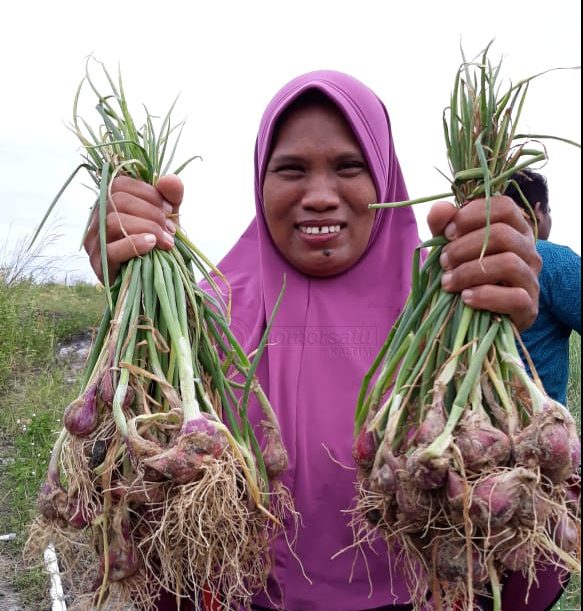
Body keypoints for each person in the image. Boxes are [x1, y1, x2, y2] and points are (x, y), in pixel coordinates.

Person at [84, 71, 565, 611]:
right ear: (260, 183)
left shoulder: (450, 303)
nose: (318, 196)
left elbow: (527, 534)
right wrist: (134, 292)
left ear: (384, 177)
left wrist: (503, 348)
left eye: (348, 166)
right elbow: (143, 498)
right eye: (290, 169)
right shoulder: (202, 311)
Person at [505, 169, 581, 406]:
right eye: (549, 211)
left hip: (468, 430)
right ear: (538, 211)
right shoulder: (552, 260)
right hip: (541, 432)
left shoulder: (456, 263)